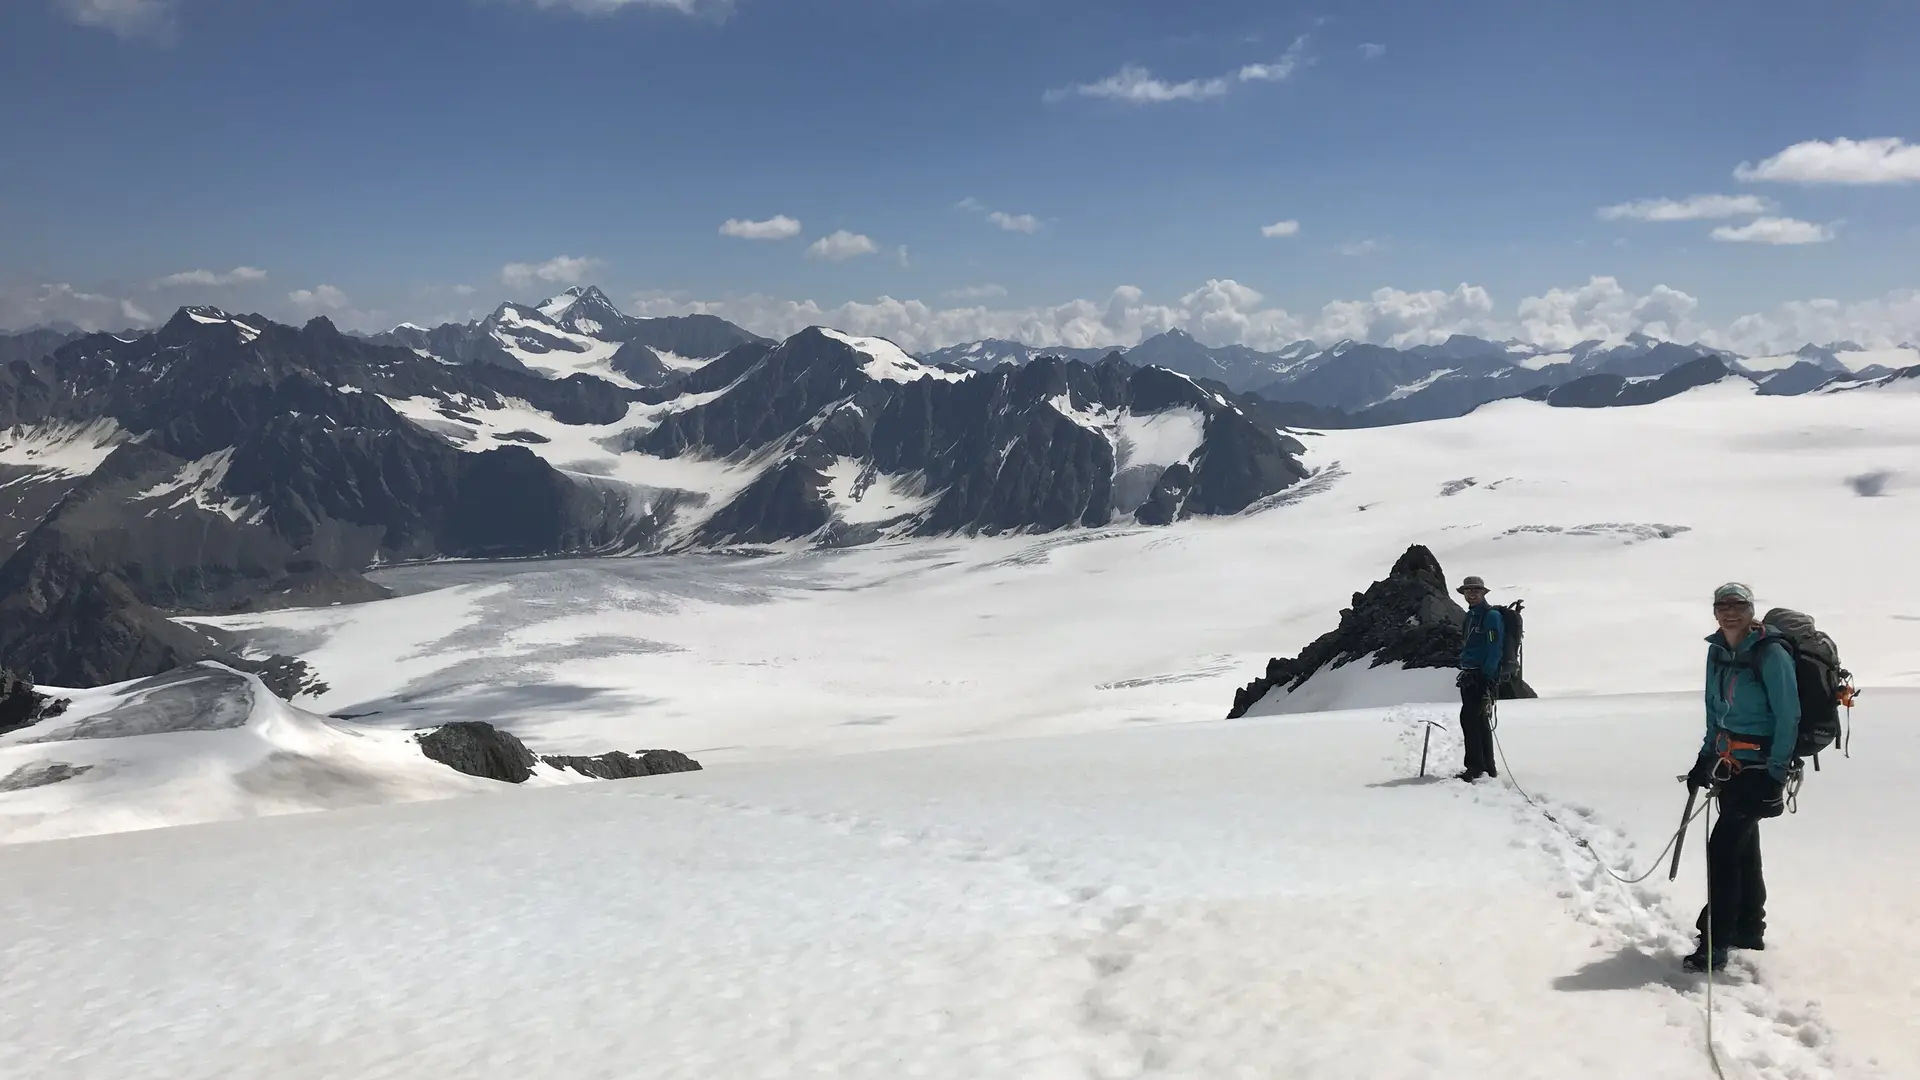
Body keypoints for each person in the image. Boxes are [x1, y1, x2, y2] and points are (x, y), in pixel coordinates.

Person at [1681, 582, 1799, 973]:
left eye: (1738, 605)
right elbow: (1713, 709)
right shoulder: (1717, 650)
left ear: (1751, 609)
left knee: (1723, 849)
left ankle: (1715, 941)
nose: (1730, 612)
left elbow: (1788, 716)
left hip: (1761, 764)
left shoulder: (1771, 652)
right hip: (1728, 763)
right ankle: (1749, 927)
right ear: (1715, 611)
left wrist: (1776, 774)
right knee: (1743, 847)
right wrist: (1705, 756)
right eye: (1722, 605)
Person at [1454, 575, 1504, 781]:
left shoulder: (1490, 616)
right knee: (1478, 720)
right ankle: (1486, 767)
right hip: (1470, 674)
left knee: (1470, 719)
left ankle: (1476, 768)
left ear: (1483, 593)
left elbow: (1495, 646)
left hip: (1479, 675)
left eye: (1476, 590)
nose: (1471, 594)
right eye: (1468, 591)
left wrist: (1487, 675)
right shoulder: (1472, 615)